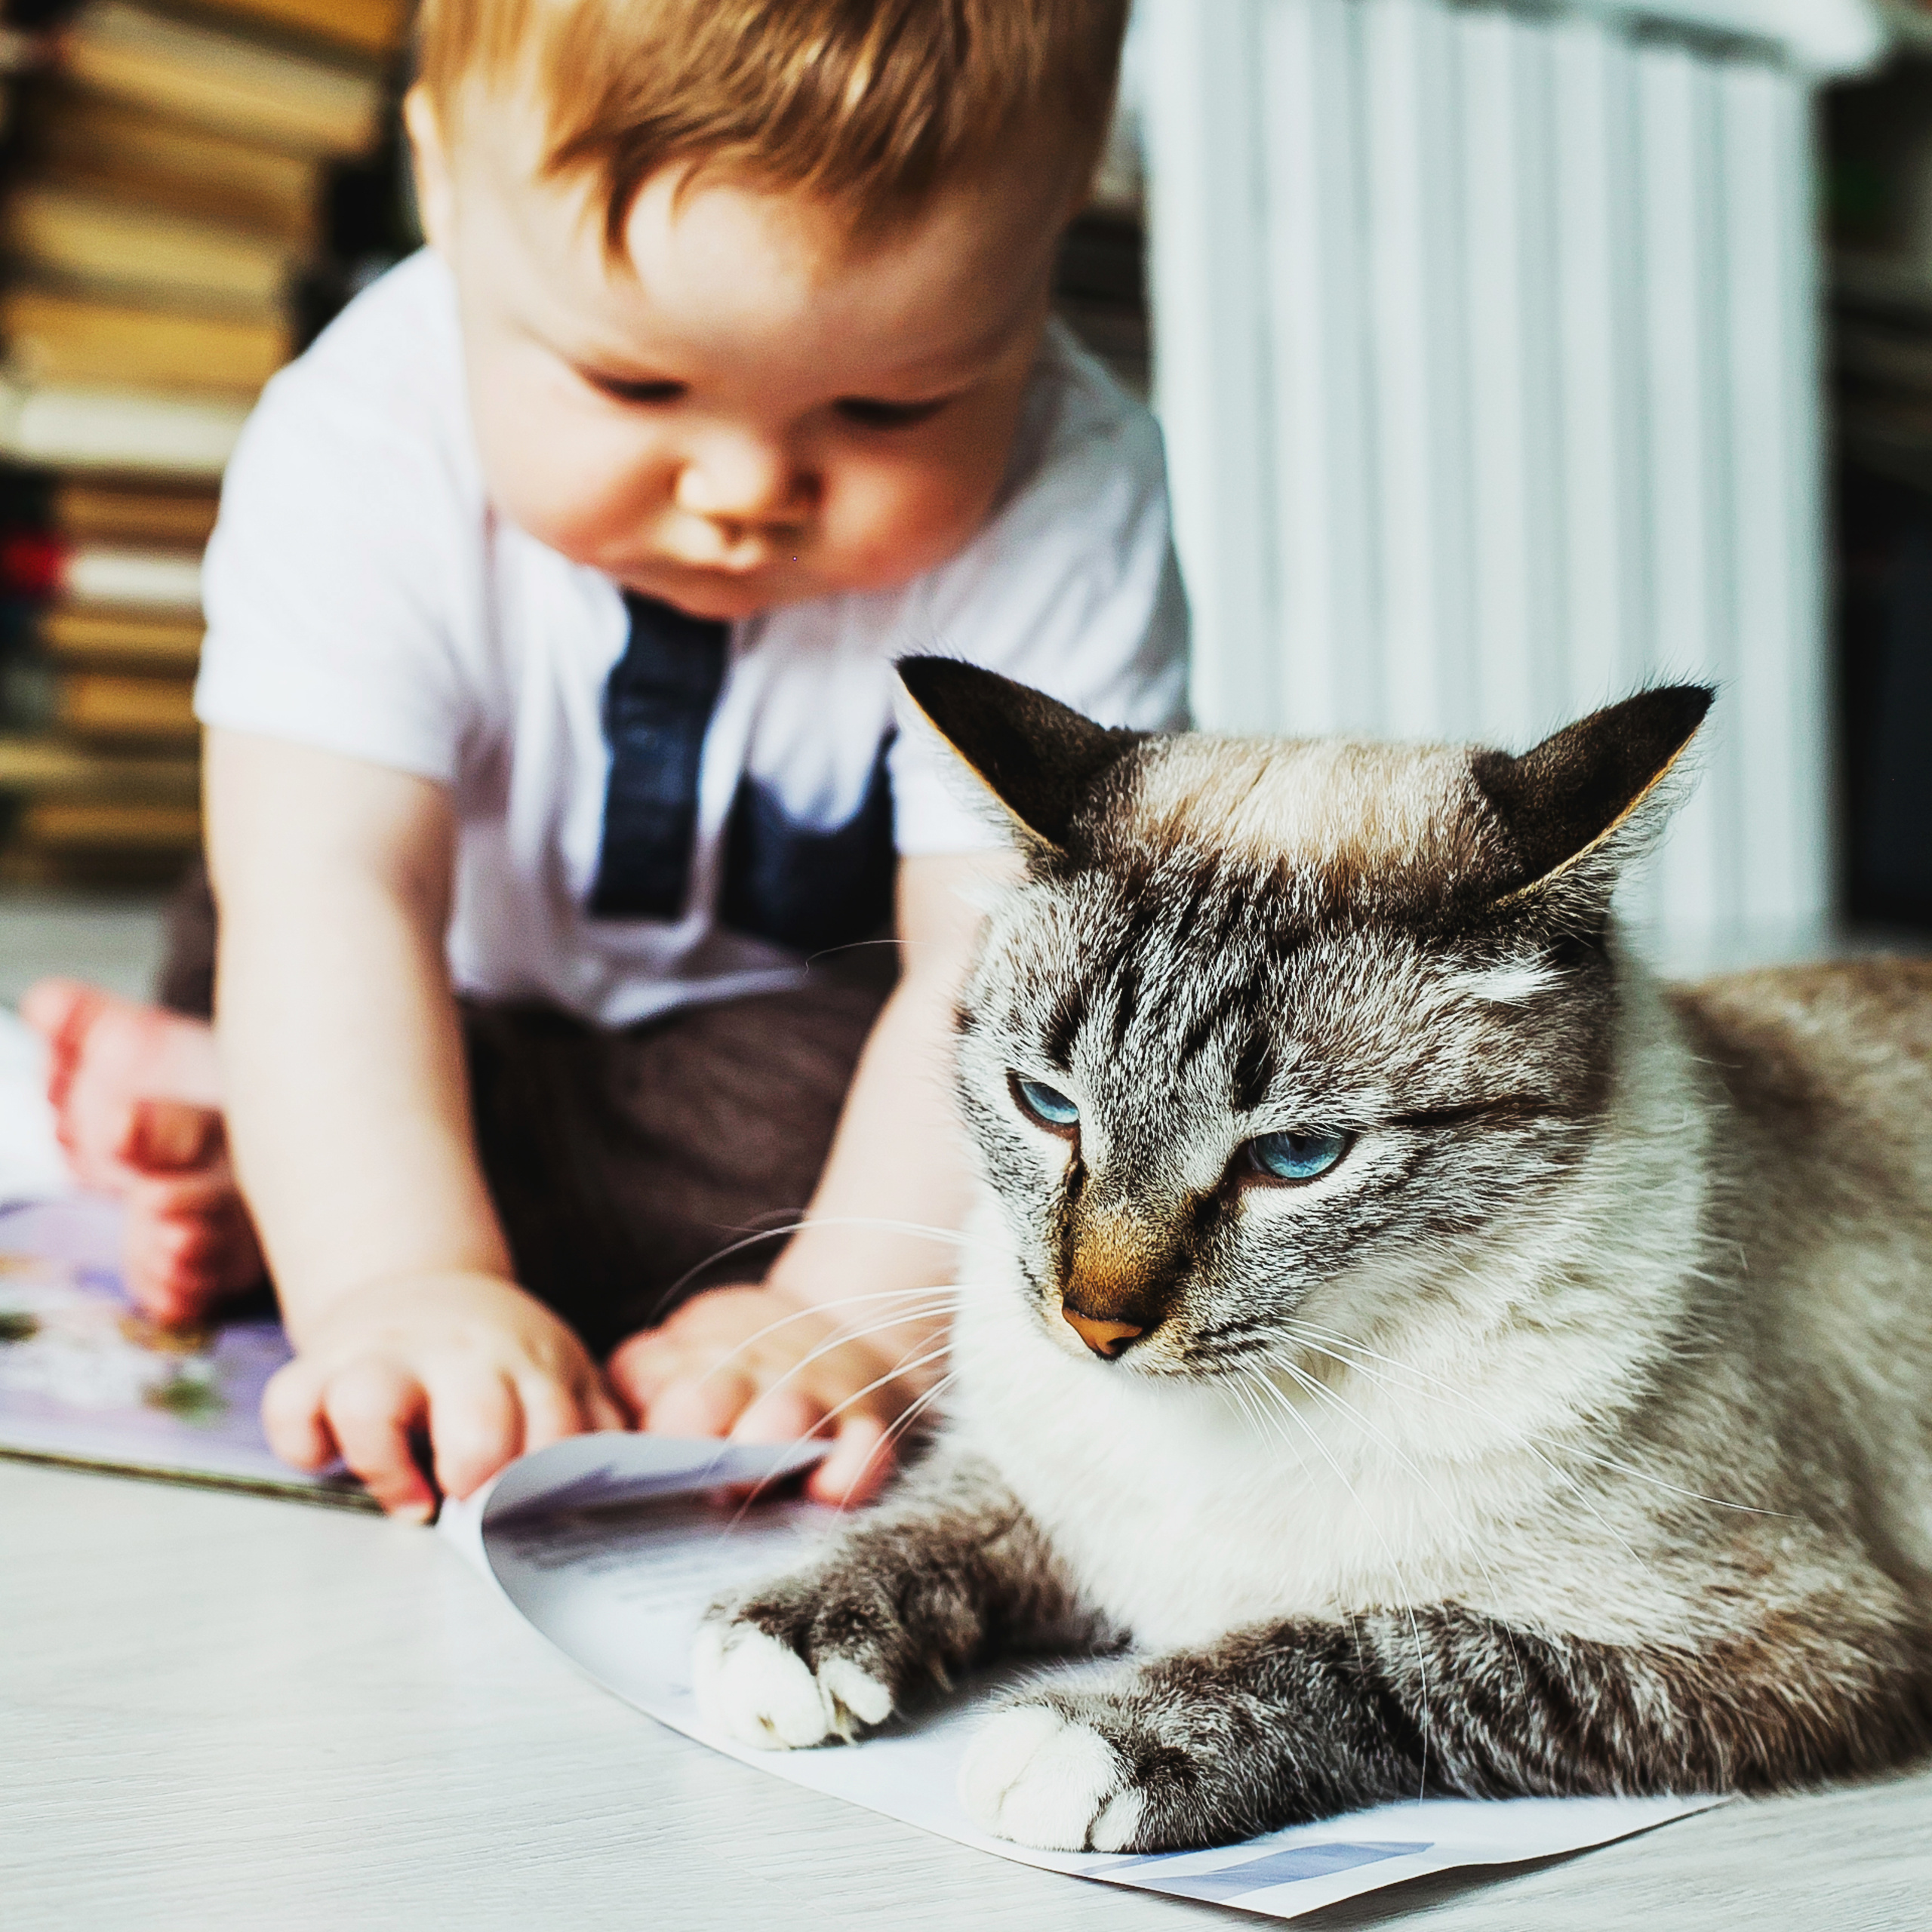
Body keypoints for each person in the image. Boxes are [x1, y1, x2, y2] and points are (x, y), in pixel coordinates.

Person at [24, 0, 1186, 1521]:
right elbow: (331, 893)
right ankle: (332, 1158)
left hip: (763, 1034)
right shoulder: (363, 434)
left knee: (932, 1116)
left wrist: (836, 1316)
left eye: (889, 405)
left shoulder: (1070, 491)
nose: (745, 488)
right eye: (636, 387)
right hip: (429, 958)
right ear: (446, 190)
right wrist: (402, 1282)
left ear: (1049, 237)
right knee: (265, 910)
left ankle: (266, 1135)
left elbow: (995, 974)